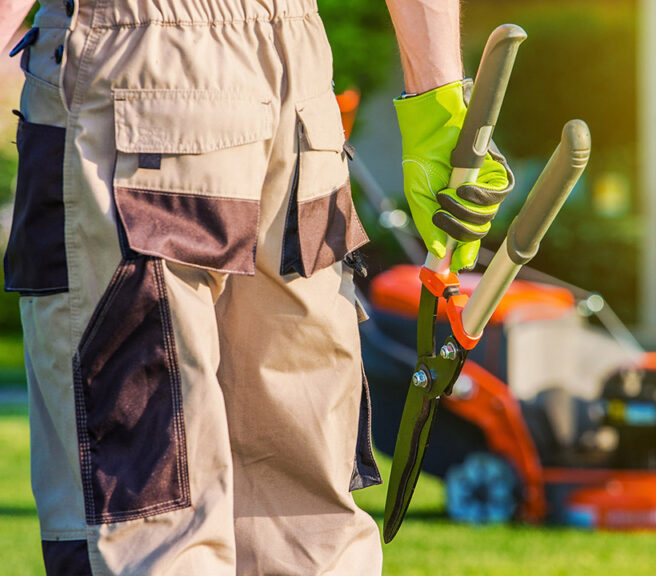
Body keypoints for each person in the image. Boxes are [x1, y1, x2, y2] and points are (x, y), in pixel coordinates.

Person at [0, 0, 510, 572]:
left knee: (146, 515)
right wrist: (438, 103)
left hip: (133, 67)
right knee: (301, 526)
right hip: (297, 83)